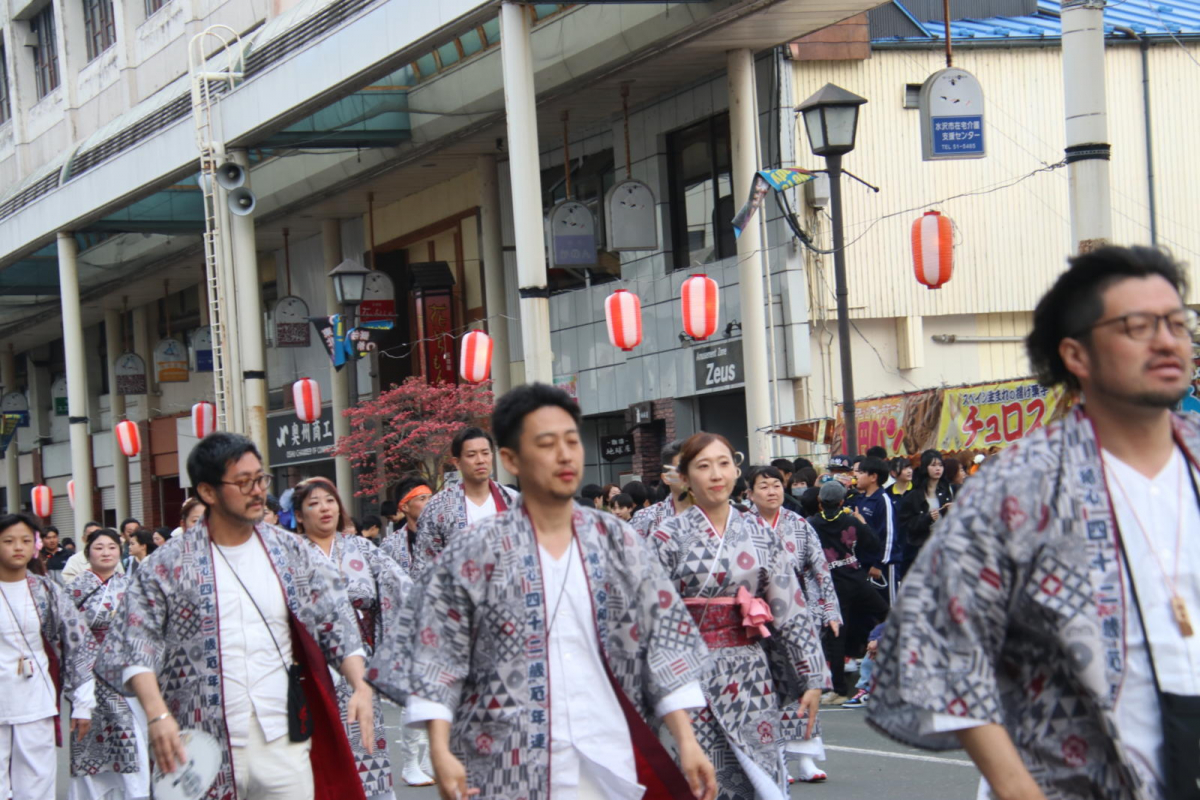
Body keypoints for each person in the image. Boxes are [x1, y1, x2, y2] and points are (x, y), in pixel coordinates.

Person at [868, 245, 1200, 799]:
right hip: (1073, 774)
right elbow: (939, 640)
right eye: (1138, 326)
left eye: (1177, 322)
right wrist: (1017, 788)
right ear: (1077, 354)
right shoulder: (1015, 486)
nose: (1167, 340)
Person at [371, 384, 717, 800]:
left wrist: (687, 740)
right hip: (504, 756)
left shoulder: (619, 541)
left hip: (609, 747)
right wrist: (440, 750)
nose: (565, 454)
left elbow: (664, 643)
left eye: (572, 440)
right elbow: (437, 649)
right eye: (546, 443)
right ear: (512, 459)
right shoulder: (472, 550)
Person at [95, 432, 374, 800]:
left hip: (282, 736)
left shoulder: (291, 552)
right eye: (244, 482)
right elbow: (136, 642)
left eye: (261, 479)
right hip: (196, 742)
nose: (257, 491)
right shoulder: (167, 564)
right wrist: (157, 715)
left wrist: (359, 683)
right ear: (208, 492)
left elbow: (335, 620)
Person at [647, 433, 828, 800]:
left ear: (736, 470)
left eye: (724, 463)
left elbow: (790, 606)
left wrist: (812, 675)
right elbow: (650, 621)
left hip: (750, 676)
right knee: (696, 780)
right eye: (703, 466)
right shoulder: (666, 537)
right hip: (686, 677)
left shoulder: (759, 533)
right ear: (684, 477)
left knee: (758, 777)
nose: (716, 474)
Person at [294, 477, 412, 800]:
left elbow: (401, 587)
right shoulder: (289, 556)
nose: (324, 508)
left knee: (366, 746)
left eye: (330, 501)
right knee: (319, 751)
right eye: (314, 503)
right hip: (312, 668)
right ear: (300, 516)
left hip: (360, 663)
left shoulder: (360, 549)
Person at [747, 465, 840, 784]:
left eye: (776, 485)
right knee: (767, 689)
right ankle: (776, 760)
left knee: (803, 684)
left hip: (797, 614)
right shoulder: (742, 526)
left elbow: (820, 569)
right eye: (764, 486)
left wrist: (830, 610)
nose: (772, 491)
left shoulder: (799, 524)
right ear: (749, 493)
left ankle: (806, 759)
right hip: (755, 616)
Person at [0, 513, 96, 800]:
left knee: (37, 784)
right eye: (8, 541)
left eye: (25, 541)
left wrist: (82, 703)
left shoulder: (46, 591)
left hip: (36, 700)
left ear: (35, 546)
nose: (18, 547)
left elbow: (78, 644)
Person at [67, 528, 150, 800]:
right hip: (86, 674)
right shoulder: (73, 589)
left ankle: (134, 794)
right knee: (89, 741)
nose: (106, 553)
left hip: (124, 674)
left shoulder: (132, 585)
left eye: (112, 547)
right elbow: (66, 636)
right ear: (88, 552)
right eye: (99, 547)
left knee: (131, 737)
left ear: (120, 551)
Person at [806, 482, 887, 705]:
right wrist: (862, 523)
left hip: (831, 583)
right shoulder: (850, 520)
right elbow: (872, 543)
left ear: (820, 502)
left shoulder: (811, 524)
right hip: (856, 577)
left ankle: (839, 689)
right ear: (843, 502)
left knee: (836, 636)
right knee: (887, 613)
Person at [410, 426, 518, 578]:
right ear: (457, 462)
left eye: (485, 453)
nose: (480, 460)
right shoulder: (438, 507)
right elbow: (424, 566)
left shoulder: (513, 500)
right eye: (471, 455)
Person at [850, 456, 901, 604]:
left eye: (860, 472)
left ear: (873, 477)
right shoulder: (860, 498)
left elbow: (889, 535)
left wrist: (880, 563)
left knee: (888, 606)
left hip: (883, 565)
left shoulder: (883, 500)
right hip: (865, 562)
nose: (856, 476)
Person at [895, 450, 953, 577]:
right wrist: (926, 518)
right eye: (933, 465)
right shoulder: (913, 496)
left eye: (940, 465)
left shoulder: (947, 492)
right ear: (925, 467)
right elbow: (905, 525)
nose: (938, 469)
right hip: (922, 551)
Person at [631, 440, 691, 536]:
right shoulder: (645, 518)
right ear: (666, 478)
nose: (691, 474)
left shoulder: (719, 514)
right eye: (682, 469)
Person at [380, 476, 433, 576]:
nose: (430, 503)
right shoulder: (390, 545)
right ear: (404, 507)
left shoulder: (446, 536)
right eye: (422, 499)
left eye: (431, 498)